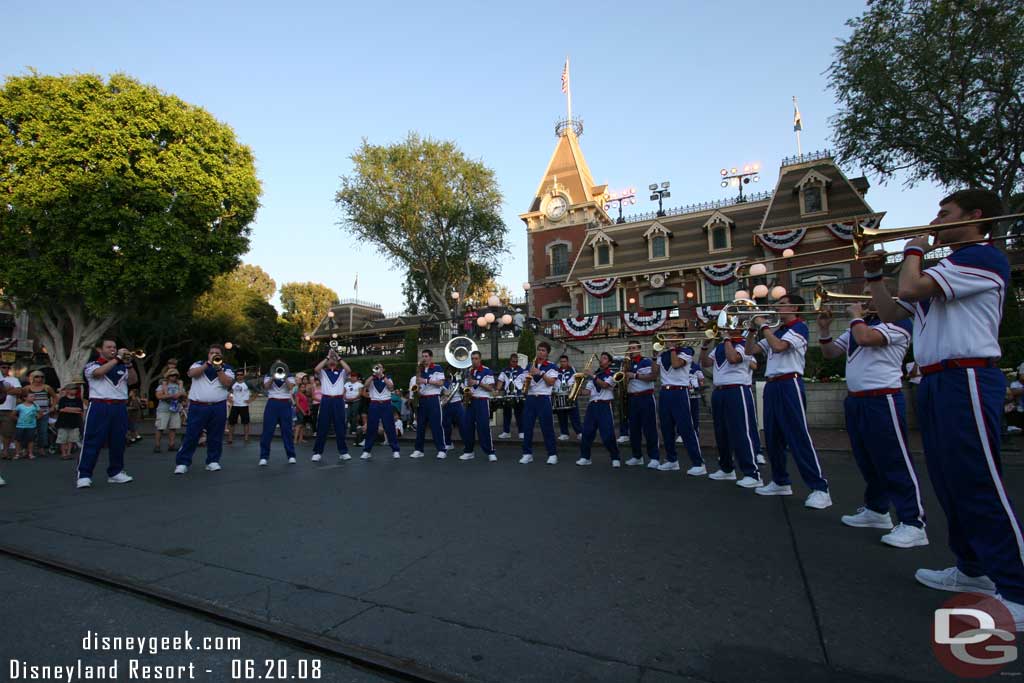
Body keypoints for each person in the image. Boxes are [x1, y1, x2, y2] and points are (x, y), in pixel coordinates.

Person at [866, 189, 1024, 625]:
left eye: (945, 212)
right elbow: (894, 311)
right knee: (950, 480)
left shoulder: (983, 257)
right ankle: (973, 570)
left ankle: (1018, 587)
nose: (936, 219)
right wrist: (877, 278)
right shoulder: (953, 265)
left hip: (966, 375)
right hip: (938, 379)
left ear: (976, 217)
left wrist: (914, 248)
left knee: (978, 479)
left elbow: (912, 285)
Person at [818, 299, 927, 547]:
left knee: (894, 461)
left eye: (870, 294)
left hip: (883, 398)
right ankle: (877, 510)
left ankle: (913, 522)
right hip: (857, 400)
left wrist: (855, 316)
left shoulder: (898, 322)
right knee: (867, 459)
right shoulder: (862, 324)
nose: (864, 300)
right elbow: (830, 353)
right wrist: (824, 329)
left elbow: (867, 339)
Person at [745, 295, 831, 509]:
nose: (776, 307)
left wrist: (763, 324)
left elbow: (780, 347)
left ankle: (820, 488)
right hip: (772, 385)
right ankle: (780, 481)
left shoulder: (799, 326)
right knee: (773, 437)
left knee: (798, 436)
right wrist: (752, 330)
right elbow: (750, 351)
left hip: (789, 384)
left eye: (781, 304)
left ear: (794, 307)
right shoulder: (777, 329)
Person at [699, 331, 762, 488]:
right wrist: (705, 346)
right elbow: (706, 363)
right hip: (719, 391)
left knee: (741, 432)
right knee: (721, 432)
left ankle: (752, 473)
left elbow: (733, 359)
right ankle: (726, 468)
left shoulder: (744, 344)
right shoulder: (720, 346)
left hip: (737, 389)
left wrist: (727, 338)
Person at [77, 340, 137, 489]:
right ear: (100, 350)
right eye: (109, 347)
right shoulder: (92, 365)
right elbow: (98, 374)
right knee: (93, 440)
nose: (113, 349)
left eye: (115, 347)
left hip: (119, 407)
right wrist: (118, 358)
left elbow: (133, 380)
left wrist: (128, 363)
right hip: (99, 405)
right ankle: (84, 475)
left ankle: (115, 472)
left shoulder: (122, 365)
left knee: (118, 441)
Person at [173, 344, 234, 474]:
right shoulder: (198, 364)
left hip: (218, 406)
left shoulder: (227, 368)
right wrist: (207, 364)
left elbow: (227, 383)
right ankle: (183, 463)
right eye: (211, 352)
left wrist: (218, 368)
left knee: (216, 436)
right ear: (208, 355)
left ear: (221, 355)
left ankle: (213, 461)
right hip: (198, 406)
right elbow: (191, 374)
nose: (214, 354)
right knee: (192, 435)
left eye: (216, 353)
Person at [656, 343, 705, 474]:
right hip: (664, 392)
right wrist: (655, 355)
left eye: (672, 334)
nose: (668, 338)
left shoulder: (686, 351)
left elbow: (676, 364)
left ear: (680, 338)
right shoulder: (663, 354)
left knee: (686, 428)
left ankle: (698, 463)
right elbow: (654, 373)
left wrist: (672, 348)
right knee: (666, 428)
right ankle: (672, 460)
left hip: (679, 391)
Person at [576, 352, 620, 468]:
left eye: (604, 358)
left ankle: (615, 457)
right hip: (592, 406)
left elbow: (605, 385)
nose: (601, 360)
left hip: (605, 405)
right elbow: (588, 392)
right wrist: (578, 391)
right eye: (601, 358)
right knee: (587, 432)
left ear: (609, 362)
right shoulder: (595, 374)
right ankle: (585, 457)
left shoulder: (612, 374)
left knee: (608, 434)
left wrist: (593, 376)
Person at [518, 341, 560, 465]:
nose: (540, 352)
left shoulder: (552, 366)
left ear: (547, 353)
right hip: (530, 398)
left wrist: (540, 373)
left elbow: (551, 382)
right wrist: (527, 376)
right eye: (539, 350)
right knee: (527, 427)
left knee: (547, 427)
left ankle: (552, 454)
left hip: (543, 398)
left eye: (543, 350)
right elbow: (522, 380)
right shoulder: (530, 365)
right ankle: (527, 454)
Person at [311, 349, 352, 462]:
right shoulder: (323, 373)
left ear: (338, 362)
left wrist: (338, 357)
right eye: (330, 360)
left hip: (338, 400)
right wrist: (327, 357)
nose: (332, 361)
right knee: (322, 426)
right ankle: (318, 452)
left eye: (334, 360)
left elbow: (349, 369)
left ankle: (343, 452)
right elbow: (316, 369)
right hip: (326, 400)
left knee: (340, 427)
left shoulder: (342, 373)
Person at [624, 340, 659, 468]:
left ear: (639, 349)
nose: (631, 350)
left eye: (634, 348)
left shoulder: (646, 361)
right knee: (634, 429)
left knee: (649, 428)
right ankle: (637, 456)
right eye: (630, 348)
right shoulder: (628, 363)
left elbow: (653, 377)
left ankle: (654, 457)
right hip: (633, 398)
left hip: (646, 397)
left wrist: (634, 375)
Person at [460, 351, 497, 462]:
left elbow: (490, 388)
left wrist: (476, 382)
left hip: (482, 401)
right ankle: (469, 451)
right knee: (467, 427)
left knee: (484, 427)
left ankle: (490, 452)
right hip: (470, 401)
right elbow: (464, 386)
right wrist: (466, 392)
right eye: (472, 359)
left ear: (480, 359)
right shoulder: (468, 371)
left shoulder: (487, 371)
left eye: (476, 358)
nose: (474, 361)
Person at [410, 350, 447, 459]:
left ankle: (441, 450)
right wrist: (418, 379)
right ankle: (418, 450)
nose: (424, 358)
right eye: (423, 356)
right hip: (422, 399)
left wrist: (425, 380)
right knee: (420, 426)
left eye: (426, 356)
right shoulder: (421, 369)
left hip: (433, 399)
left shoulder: (437, 368)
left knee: (436, 425)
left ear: (431, 357)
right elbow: (417, 382)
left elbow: (441, 383)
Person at [259, 361, 297, 466]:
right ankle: (264, 457)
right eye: (277, 367)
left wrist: (284, 377)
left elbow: (290, 387)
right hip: (272, 403)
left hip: (285, 403)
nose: (279, 369)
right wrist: (273, 376)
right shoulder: (268, 375)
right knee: (267, 431)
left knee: (287, 431)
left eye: (281, 367)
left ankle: (291, 455)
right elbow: (266, 387)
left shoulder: (289, 376)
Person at [360, 365, 400, 460]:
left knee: (389, 427)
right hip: (374, 404)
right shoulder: (371, 378)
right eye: (376, 367)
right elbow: (365, 385)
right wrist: (373, 375)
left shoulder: (388, 378)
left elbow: (391, 387)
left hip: (386, 404)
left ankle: (395, 450)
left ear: (383, 369)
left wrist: (382, 376)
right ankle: (367, 451)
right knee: (371, 427)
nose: (378, 369)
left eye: (380, 367)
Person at [23, 371, 58, 456]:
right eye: (37, 376)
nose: (40, 378)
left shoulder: (46, 387)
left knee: (42, 431)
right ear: (32, 378)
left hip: (44, 412)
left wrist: (53, 407)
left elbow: (55, 396)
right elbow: (22, 398)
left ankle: (41, 448)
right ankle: (26, 449)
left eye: (42, 377)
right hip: (30, 412)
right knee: (28, 431)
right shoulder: (27, 388)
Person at [154, 369, 183, 453]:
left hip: (175, 409)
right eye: (172, 375)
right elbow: (158, 396)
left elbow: (184, 395)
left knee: (173, 428)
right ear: (168, 376)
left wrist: (180, 394)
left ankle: (171, 445)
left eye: (175, 375)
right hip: (163, 410)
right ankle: (157, 445)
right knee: (160, 428)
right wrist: (172, 396)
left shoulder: (178, 385)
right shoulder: (162, 385)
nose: (174, 377)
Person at [497, 354, 525, 439]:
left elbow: (525, 383)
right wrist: (497, 390)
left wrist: (524, 392)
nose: (515, 363)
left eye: (516, 361)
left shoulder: (522, 371)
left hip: (518, 394)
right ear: (510, 361)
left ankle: (521, 432)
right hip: (507, 394)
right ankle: (506, 432)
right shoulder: (504, 371)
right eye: (513, 361)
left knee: (519, 413)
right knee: (506, 413)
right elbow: (500, 381)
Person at [555, 355, 583, 441]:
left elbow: (577, 380)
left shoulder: (573, 370)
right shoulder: (556, 371)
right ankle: (564, 433)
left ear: (568, 362)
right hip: (560, 395)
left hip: (571, 395)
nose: (563, 363)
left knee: (574, 415)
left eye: (564, 361)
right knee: (561, 415)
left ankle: (579, 432)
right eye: (561, 361)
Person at [56, 384, 84, 460]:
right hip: (63, 421)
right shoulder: (63, 399)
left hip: (74, 422)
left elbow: (80, 410)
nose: (74, 390)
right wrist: (74, 410)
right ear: (67, 390)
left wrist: (67, 409)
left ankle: (69, 453)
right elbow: (61, 409)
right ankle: (63, 453)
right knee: (62, 438)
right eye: (72, 389)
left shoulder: (78, 400)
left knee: (72, 439)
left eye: (75, 389)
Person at [0, 360, 22, 458]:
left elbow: (19, 391)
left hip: (8, 409)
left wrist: (3, 391)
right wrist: (8, 390)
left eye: (8, 367)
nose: (6, 369)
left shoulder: (14, 379)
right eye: (3, 367)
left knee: (7, 432)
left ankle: (5, 451)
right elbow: (13, 390)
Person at [442, 376, 465, 453]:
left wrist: (460, 385)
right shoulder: (444, 382)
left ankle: (466, 443)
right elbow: (441, 393)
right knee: (446, 425)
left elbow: (464, 392)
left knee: (462, 424)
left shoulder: (459, 381)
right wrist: (444, 394)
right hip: (447, 405)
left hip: (458, 404)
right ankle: (448, 443)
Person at [227, 370, 251, 445]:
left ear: (243, 375)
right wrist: (229, 398)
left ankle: (246, 438)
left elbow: (256, 391)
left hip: (244, 406)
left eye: (241, 374)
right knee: (231, 423)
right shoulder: (233, 383)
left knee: (246, 423)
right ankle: (230, 438)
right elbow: (227, 391)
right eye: (238, 375)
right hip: (235, 406)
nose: (239, 376)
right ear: (236, 376)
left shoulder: (247, 383)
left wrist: (250, 400)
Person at [14, 393, 38, 460]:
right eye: (31, 396)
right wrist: (18, 420)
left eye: (34, 396)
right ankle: (17, 453)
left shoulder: (35, 405)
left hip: (31, 426)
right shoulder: (20, 406)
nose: (33, 397)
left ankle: (30, 453)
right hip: (20, 426)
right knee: (18, 439)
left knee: (31, 440)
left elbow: (40, 413)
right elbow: (13, 414)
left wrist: (35, 418)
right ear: (25, 398)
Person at [344, 372, 365, 436]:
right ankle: (344, 430)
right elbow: (343, 392)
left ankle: (353, 430)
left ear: (357, 377)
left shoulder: (359, 384)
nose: (353, 378)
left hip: (356, 401)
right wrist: (345, 397)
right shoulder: (346, 384)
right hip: (346, 401)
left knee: (354, 415)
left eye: (354, 376)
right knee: (347, 415)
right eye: (352, 376)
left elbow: (360, 393)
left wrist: (353, 398)